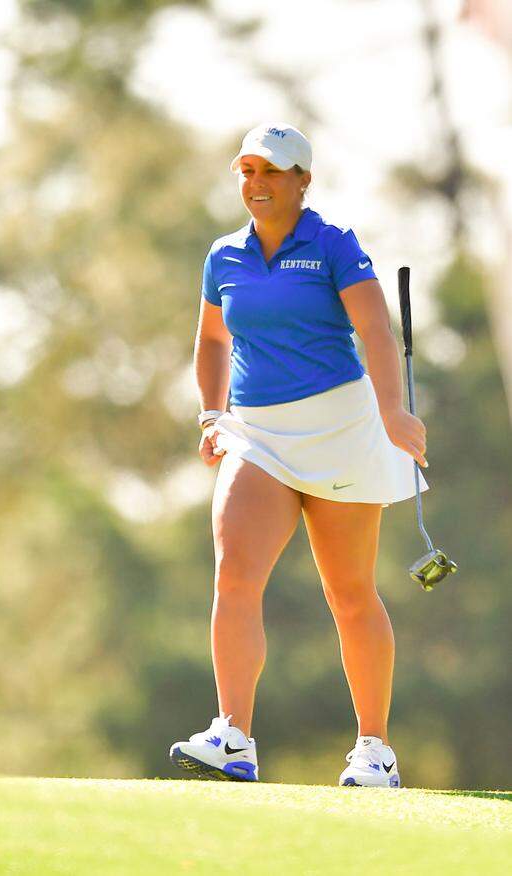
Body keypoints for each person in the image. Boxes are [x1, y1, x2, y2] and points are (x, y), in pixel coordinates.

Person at [168, 123, 429, 787]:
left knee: (348, 593)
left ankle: (374, 751)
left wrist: (393, 411)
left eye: (272, 172)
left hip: (342, 425)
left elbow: (374, 327)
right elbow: (211, 341)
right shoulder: (223, 256)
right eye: (247, 171)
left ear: (302, 181)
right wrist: (212, 411)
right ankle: (233, 736)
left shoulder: (334, 245)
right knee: (234, 572)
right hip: (257, 432)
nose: (256, 184)